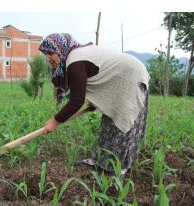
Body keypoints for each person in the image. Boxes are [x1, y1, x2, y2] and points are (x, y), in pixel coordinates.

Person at [38, 33, 150, 177]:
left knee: (121, 124)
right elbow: (93, 76)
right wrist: (94, 102)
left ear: (60, 49)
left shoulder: (74, 62)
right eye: (45, 54)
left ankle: (118, 168)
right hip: (120, 78)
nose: (47, 58)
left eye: (50, 53)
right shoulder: (73, 57)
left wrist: (55, 121)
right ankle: (100, 161)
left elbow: (76, 100)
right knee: (108, 122)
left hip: (131, 77)